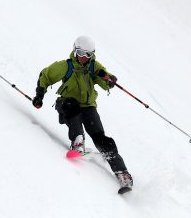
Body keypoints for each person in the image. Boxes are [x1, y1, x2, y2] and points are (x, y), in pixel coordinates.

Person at [32, 36, 133, 189]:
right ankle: (77, 142)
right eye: (80, 53)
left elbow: (105, 82)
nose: (84, 58)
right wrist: (39, 95)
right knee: (72, 107)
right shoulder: (65, 66)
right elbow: (45, 76)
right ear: (75, 50)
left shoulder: (93, 67)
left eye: (88, 55)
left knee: (100, 137)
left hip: (88, 106)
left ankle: (122, 172)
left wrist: (109, 80)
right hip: (67, 104)